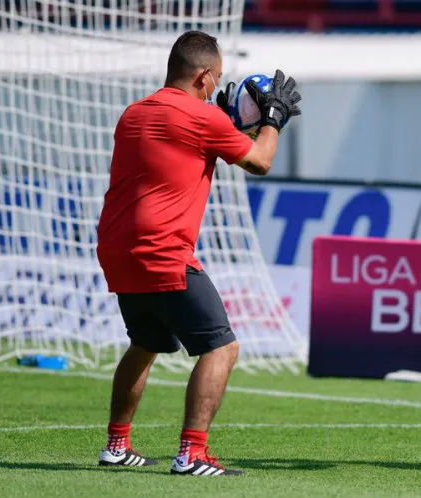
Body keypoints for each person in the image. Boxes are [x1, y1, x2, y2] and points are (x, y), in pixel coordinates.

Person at [95, 30, 301, 477]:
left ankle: (117, 444)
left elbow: (182, 141)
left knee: (146, 343)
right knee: (222, 348)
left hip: (116, 248)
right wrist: (273, 118)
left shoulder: (133, 113)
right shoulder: (202, 119)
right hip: (162, 249)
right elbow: (260, 161)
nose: (218, 86)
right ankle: (192, 453)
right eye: (218, 78)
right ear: (205, 76)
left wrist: (226, 120)